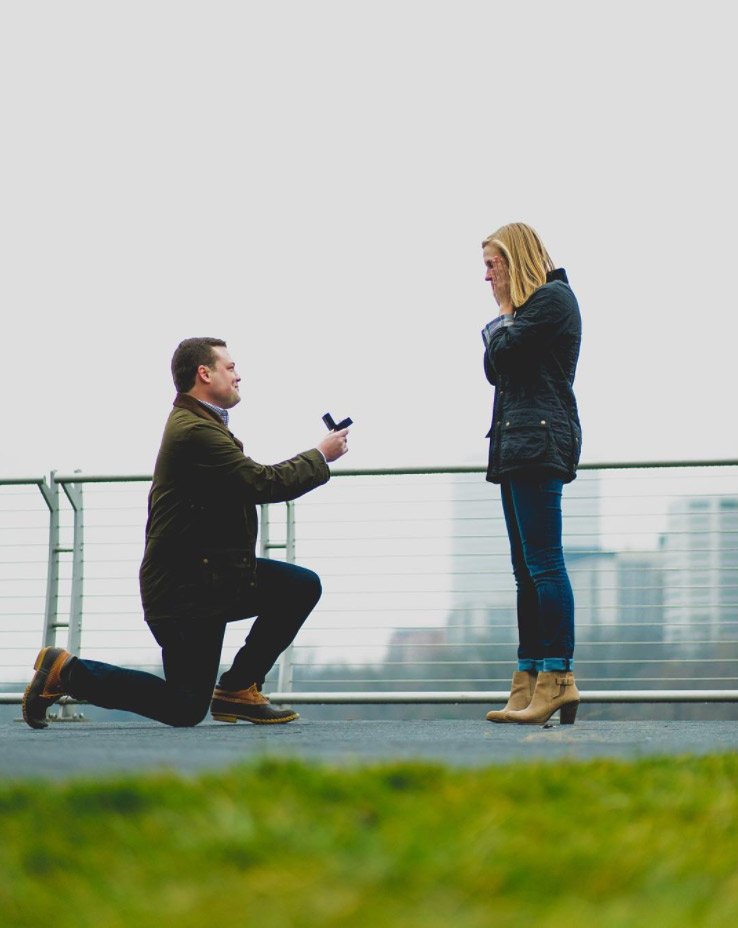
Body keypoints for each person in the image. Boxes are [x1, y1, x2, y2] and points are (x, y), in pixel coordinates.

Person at [23, 337, 349, 729]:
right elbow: (261, 483)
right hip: (185, 590)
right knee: (184, 707)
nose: (238, 375)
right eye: (230, 367)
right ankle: (66, 672)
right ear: (204, 373)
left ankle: (238, 688)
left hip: (213, 576)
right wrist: (320, 456)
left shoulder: (201, 424)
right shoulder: (194, 432)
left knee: (299, 586)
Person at [480, 223, 582, 725]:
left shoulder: (552, 300)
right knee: (525, 570)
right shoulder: (529, 311)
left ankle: (557, 678)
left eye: (491, 264)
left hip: (538, 441)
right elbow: (496, 369)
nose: (486, 277)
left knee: (544, 564)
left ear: (514, 259)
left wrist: (504, 313)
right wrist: (507, 319)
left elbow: (501, 357)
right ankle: (528, 678)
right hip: (518, 443)